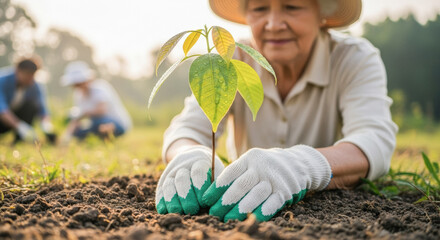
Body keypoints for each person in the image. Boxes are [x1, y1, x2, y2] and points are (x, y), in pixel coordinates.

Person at [155, 0, 398, 222]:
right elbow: (187, 129)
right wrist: (190, 152)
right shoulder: (230, 60)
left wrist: (303, 166)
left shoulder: (352, 58)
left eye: (292, 6)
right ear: (247, 16)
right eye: (260, 8)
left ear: (322, 13)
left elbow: (373, 139)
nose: (273, 24)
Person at [59, 61, 132, 143]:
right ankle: (101, 138)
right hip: (95, 124)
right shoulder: (78, 95)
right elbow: (77, 119)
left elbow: (102, 110)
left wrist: (84, 113)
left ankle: (107, 134)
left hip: (116, 123)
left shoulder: (99, 88)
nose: (77, 87)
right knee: (79, 130)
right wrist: (67, 136)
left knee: (99, 122)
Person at [0, 57, 56, 144]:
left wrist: (46, 126)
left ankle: (19, 140)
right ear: (17, 71)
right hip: (2, 121)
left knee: (31, 106)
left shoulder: (34, 85)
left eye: (32, 76)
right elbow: (2, 110)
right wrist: (20, 127)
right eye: (27, 75)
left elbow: (42, 108)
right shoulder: (2, 80)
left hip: (13, 119)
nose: (30, 79)